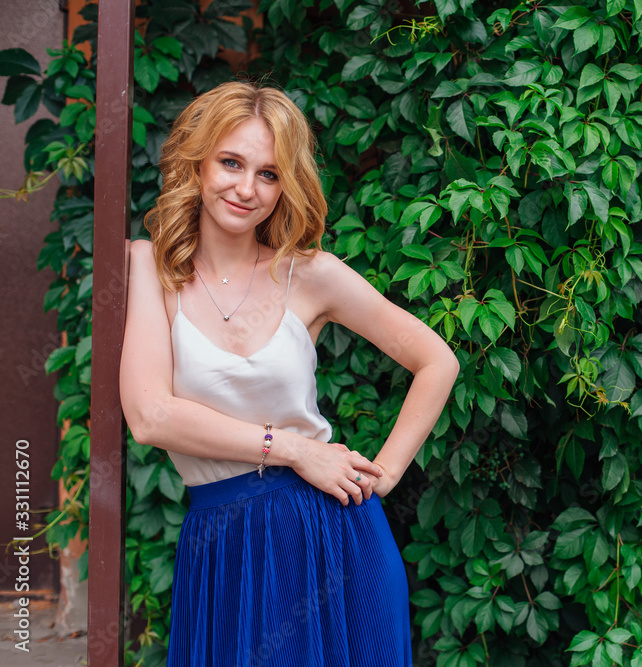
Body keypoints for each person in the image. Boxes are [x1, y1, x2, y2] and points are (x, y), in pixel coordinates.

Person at [119, 81, 459, 666]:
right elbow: (151, 417)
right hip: (225, 544)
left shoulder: (310, 274)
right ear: (197, 163)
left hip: (335, 537)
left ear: (286, 186)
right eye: (230, 163)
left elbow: (437, 360)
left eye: (269, 174)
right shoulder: (148, 268)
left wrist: (384, 476)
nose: (246, 189)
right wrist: (295, 450)